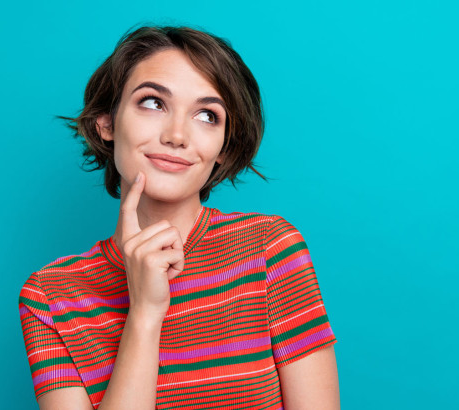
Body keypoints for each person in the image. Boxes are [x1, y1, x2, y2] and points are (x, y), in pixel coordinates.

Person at [18, 24, 339, 410]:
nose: (177, 135)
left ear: (223, 146)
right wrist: (144, 315)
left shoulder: (269, 249)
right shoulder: (50, 297)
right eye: (153, 103)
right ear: (106, 121)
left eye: (207, 115)